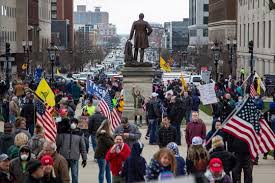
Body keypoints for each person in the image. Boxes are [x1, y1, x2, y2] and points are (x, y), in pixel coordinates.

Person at [56, 118, 87, 183]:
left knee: (75, 175)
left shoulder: (79, 133)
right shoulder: (64, 131)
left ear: (77, 124)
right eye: (72, 122)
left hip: (74, 157)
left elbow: (82, 147)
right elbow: (58, 143)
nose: (73, 124)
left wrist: (84, 158)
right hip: (64, 157)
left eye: (75, 123)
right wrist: (59, 133)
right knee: (64, 175)